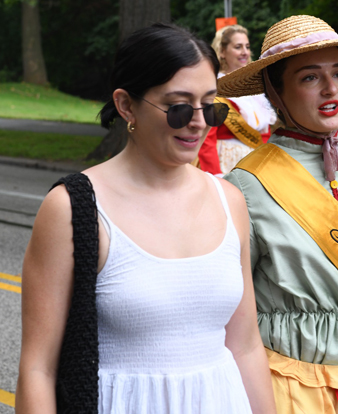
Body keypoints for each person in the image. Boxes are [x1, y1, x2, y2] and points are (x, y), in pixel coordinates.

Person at [15, 23, 276, 414]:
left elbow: (245, 345)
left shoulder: (230, 201)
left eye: (210, 105)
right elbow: (39, 370)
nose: (199, 122)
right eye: (179, 106)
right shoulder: (72, 207)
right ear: (126, 105)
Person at [219, 15, 338, 414]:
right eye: (309, 78)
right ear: (276, 90)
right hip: (283, 386)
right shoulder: (247, 183)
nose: (331, 89)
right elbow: (230, 302)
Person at [198, 24, 276, 176]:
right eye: (238, 47)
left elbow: (263, 133)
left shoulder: (255, 90)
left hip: (256, 163)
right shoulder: (214, 86)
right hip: (226, 162)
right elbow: (207, 138)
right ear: (222, 52)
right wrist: (214, 174)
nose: (245, 52)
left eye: (247, 47)